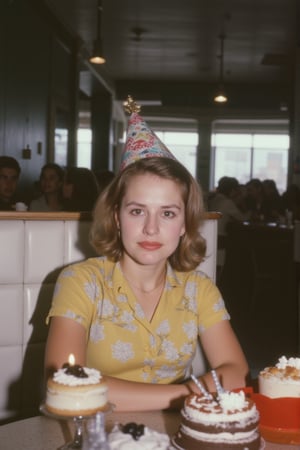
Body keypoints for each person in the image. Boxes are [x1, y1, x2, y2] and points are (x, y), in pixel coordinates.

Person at [45, 97, 248, 412]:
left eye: (168, 214)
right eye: (137, 210)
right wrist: (183, 396)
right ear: (116, 217)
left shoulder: (199, 289)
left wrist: (183, 396)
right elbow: (66, 381)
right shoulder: (81, 282)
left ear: (184, 224)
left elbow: (236, 372)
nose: (151, 228)